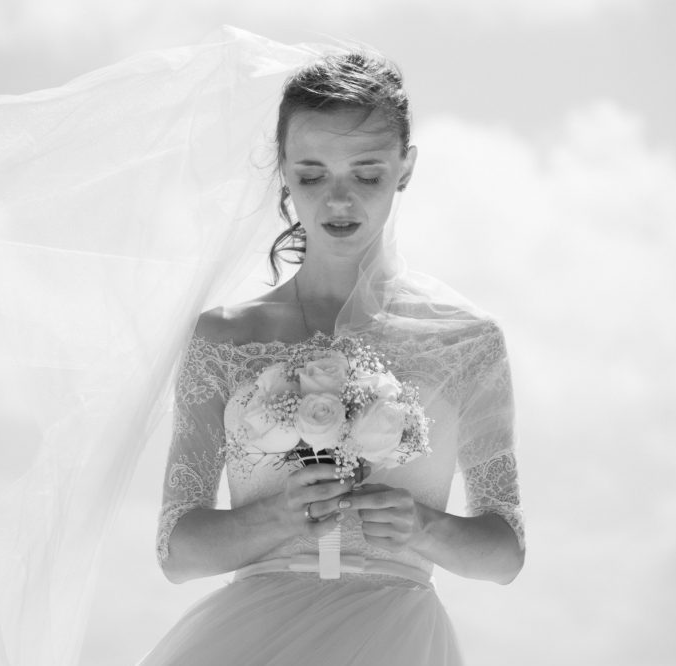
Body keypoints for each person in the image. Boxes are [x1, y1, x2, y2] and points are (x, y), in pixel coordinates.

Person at [139, 51, 525, 666]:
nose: (339, 200)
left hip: (396, 641)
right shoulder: (223, 339)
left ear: (406, 168)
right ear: (284, 173)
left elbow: (505, 553)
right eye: (313, 175)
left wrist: (423, 527)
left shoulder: (466, 340)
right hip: (249, 641)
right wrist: (280, 515)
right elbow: (178, 550)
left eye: (367, 174)